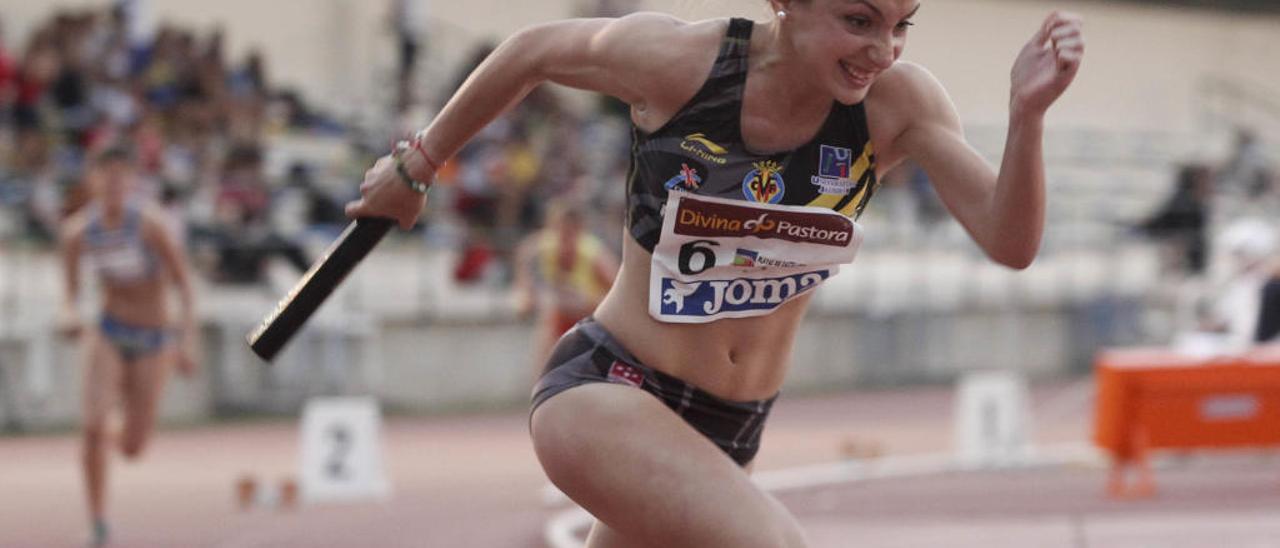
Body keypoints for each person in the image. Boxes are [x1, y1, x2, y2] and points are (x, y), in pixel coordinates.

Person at [346, 2, 1084, 545]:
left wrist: (1029, 117)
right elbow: (533, 49)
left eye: (901, 25)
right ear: (785, 4)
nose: (881, 50)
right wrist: (418, 165)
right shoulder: (684, 63)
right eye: (858, 21)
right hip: (611, 391)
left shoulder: (898, 106)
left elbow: (1008, 240)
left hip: (732, 427)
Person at [59, 146, 198, 547]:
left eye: (123, 175)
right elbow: (69, 294)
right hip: (109, 330)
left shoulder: (149, 225)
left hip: (153, 338)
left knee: (134, 446)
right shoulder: (77, 233)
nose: (115, 184)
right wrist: (68, 315)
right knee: (90, 425)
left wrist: (186, 340)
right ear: (93, 180)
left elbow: (184, 285)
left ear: (133, 181)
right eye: (107, 175)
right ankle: (98, 522)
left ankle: (114, 426)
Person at [512, 199, 619, 373]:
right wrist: (524, 290)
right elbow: (525, 251)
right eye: (559, 232)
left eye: (569, 234)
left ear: (579, 231)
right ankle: (542, 381)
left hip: (592, 320)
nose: (563, 241)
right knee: (550, 314)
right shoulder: (544, 245)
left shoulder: (595, 256)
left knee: (560, 305)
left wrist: (588, 302)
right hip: (560, 319)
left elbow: (618, 296)